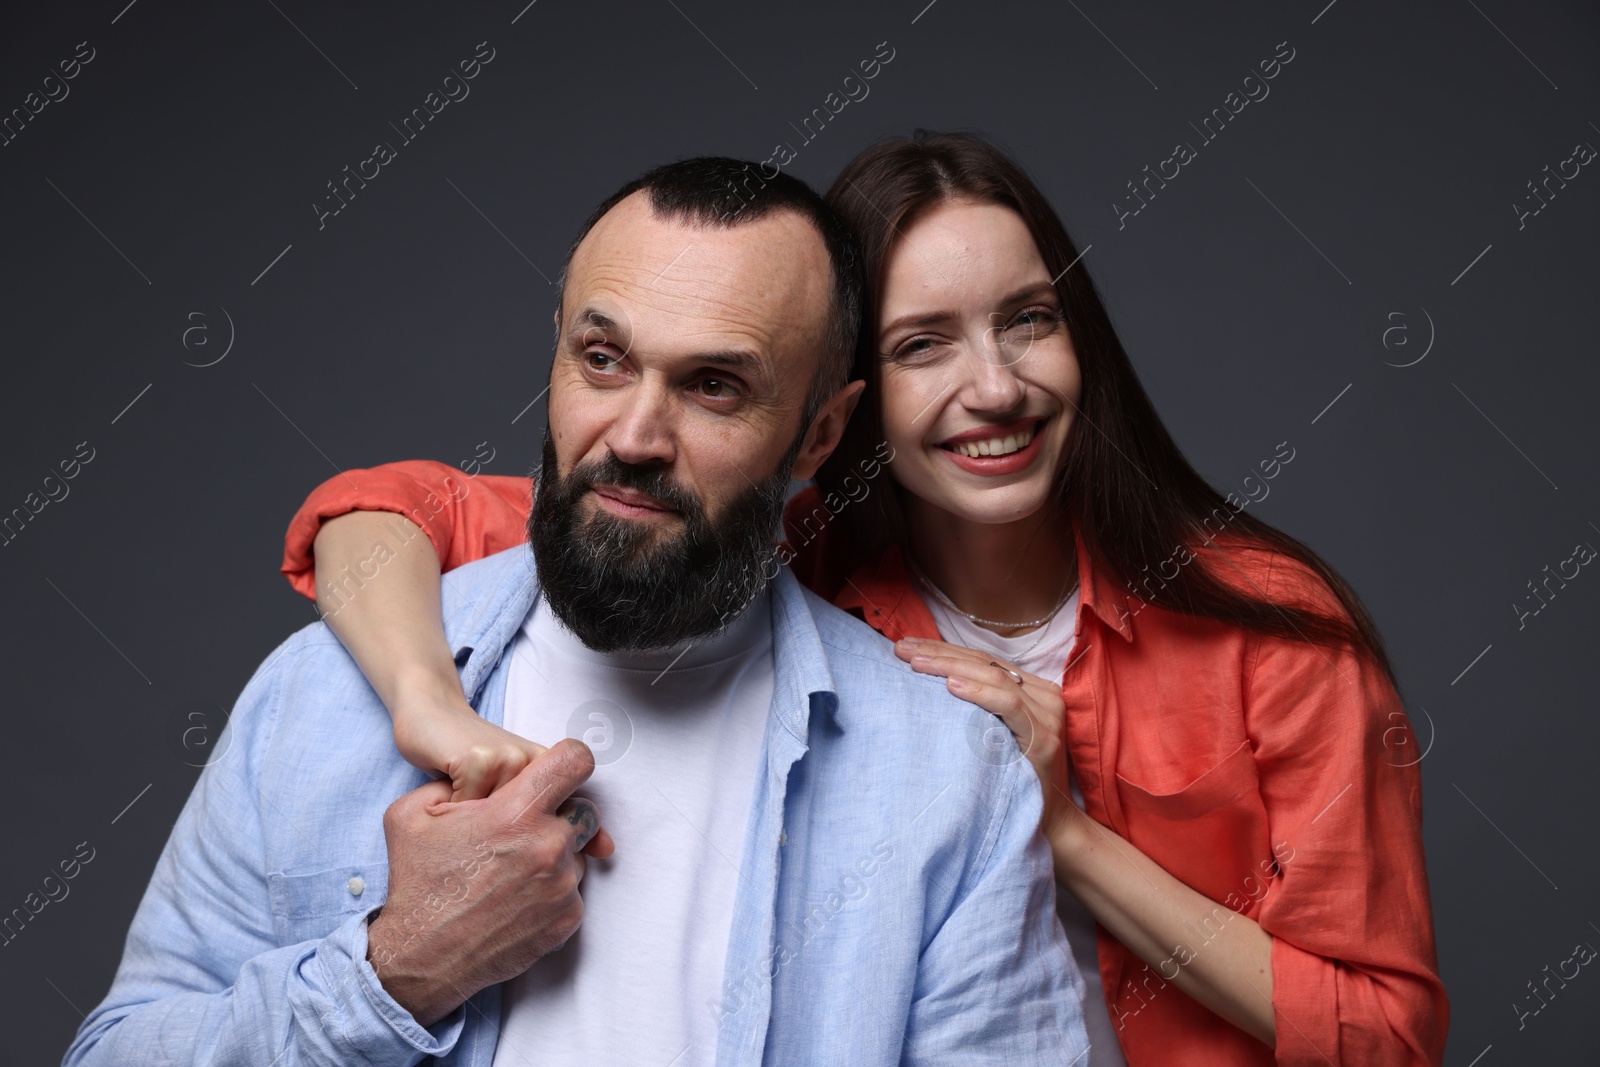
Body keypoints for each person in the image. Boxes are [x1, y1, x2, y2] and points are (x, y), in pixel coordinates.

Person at [276, 132, 1449, 1066]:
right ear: (834, 409)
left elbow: (1382, 1035)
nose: (995, 387)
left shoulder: (1265, 624)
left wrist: (1066, 832)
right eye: (921, 345)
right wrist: (428, 702)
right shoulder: (780, 560)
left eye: (1027, 320)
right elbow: (380, 512)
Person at [63, 157, 1089, 1067]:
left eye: (715, 386)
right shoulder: (315, 699)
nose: (635, 433)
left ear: (818, 434)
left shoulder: (948, 783)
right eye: (603, 359)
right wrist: (391, 973)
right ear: (558, 353)